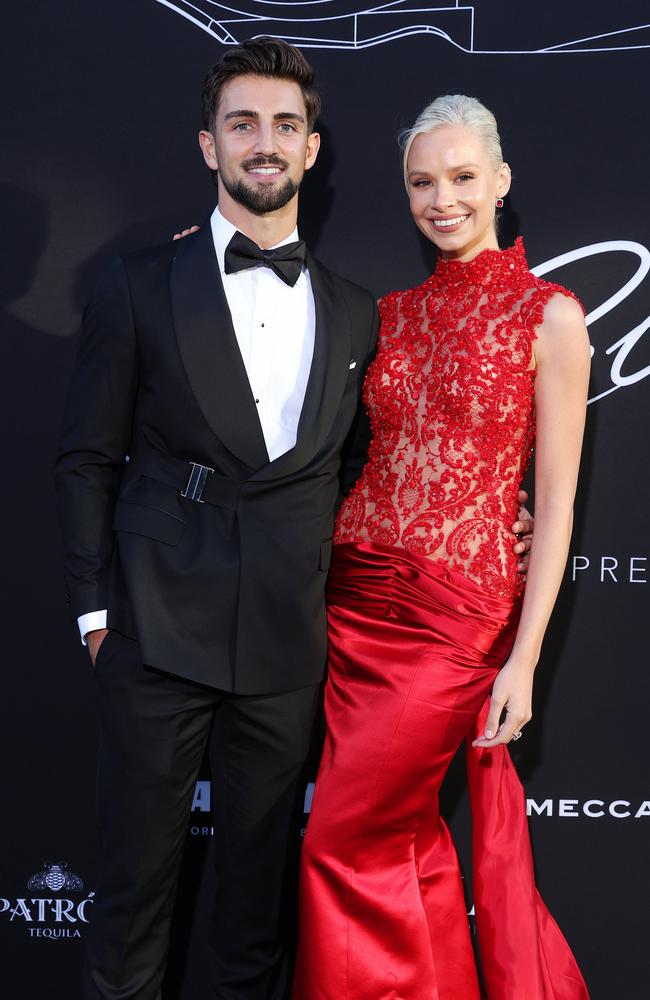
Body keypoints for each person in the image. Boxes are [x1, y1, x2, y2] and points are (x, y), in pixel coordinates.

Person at [55, 37, 532, 998]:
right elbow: (86, 458)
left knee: (255, 909)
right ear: (209, 146)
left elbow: (372, 465)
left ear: (312, 149)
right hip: (154, 630)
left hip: (287, 643)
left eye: (284, 125)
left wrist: (484, 508)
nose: (263, 143)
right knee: (132, 897)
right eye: (242, 125)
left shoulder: (361, 313)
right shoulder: (136, 282)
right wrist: (97, 617)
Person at [292, 95, 591, 999]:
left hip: (452, 620)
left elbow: (560, 506)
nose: (443, 198)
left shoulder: (552, 317)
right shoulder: (388, 311)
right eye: (423, 181)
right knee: (403, 837)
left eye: (463, 177)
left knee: (338, 841)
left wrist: (524, 659)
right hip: (346, 600)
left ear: (500, 182)